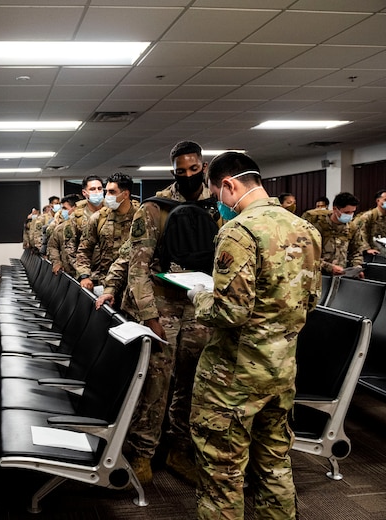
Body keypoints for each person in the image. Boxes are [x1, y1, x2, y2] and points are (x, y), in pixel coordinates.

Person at [187, 152, 321, 519]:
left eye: (217, 196)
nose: (220, 205)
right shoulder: (306, 229)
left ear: (228, 185)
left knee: (222, 474)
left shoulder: (238, 230)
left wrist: (199, 296)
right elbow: (311, 299)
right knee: (275, 466)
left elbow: (229, 311)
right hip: (280, 371)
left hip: (233, 377)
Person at [95, 141, 219, 484]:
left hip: (199, 305)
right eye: (182, 171)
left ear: (204, 167)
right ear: (173, 172)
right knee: (156, 383)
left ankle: (180, 448)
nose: (190, 176)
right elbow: (138, 266)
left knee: (193, 382)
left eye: (195, 170)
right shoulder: (154, 208)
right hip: (162, 306)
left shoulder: (216, 207)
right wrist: (149, 316)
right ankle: (141, 451)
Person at [75, 173, 139, 291]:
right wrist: (84, 276)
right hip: (106, 283)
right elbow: (84, 250)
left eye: (112, 192)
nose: (107, 196)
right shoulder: (99, 218)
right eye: (107, 191)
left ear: (125, 194)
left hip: (134, 285)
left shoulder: (141, 217)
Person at [303, 192, 364, 276]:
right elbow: (306, 252)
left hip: (340, 275)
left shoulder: (352, 228)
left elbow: (356, 252)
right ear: (335, 209)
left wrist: (357, 268)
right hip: (317, 275)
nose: (350, 215)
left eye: (352, 212)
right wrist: (328, 267)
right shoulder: (317, 224)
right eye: (346, 212)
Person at [352, 189, 386, 256]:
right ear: (378, 200)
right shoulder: (369, 216)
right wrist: (367, 249)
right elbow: (361, 233)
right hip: (372, 252)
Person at [47, 194, 80, 276]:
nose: (62, 211)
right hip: (68, 272)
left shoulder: (88, 224)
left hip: (86, 274)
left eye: (65, 208)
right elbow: (52, 246)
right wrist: (57, 262)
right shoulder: (61, 227)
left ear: (75, 208)